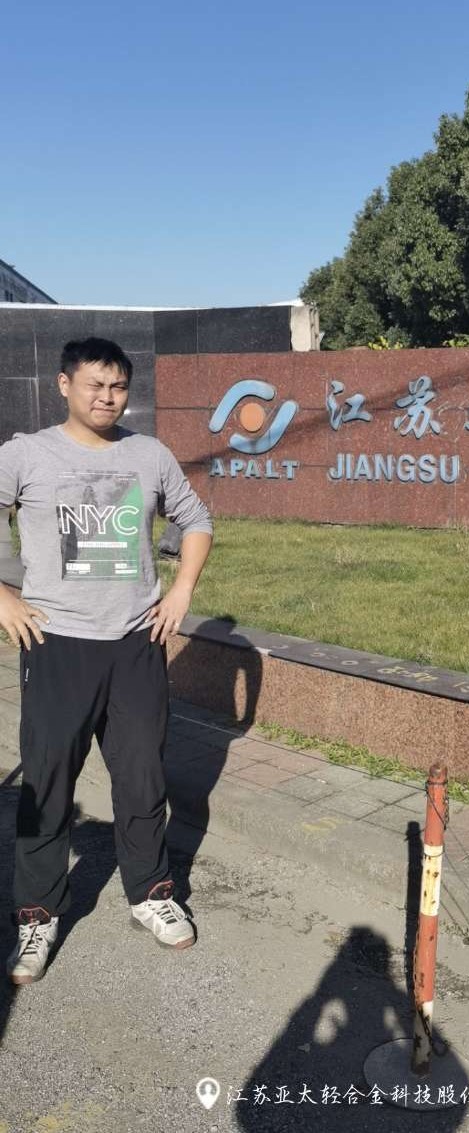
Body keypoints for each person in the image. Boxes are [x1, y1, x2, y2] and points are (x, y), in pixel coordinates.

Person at [0, 337, 213, 985]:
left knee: (142, 777)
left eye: (118, 386)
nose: (107, 397)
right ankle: (38, 914)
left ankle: (151, 892)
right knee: (47, 782)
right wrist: (3, 596)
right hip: (55, 643)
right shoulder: (25, 454)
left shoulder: (149, 454)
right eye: (94, 384)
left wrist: (181, 590)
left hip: (136, 644)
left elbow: (196, 519)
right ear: (64, 384)